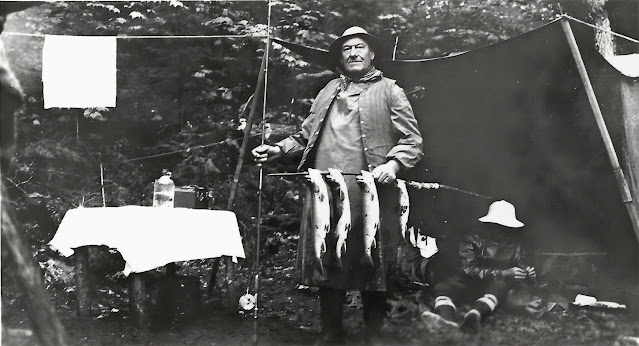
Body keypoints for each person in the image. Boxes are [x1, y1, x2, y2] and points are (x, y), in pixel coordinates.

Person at [252, 26, 423, 344]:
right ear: (340, 58)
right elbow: (306, 135)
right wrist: (276, 149)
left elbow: (412, 140)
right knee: (326, 256)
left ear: (372, 53)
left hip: (370, 193)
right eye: (347, 49)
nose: (354, 53)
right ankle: (332, 332)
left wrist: (393, 164)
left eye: (360, 47)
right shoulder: (329, 89)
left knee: (372, 259)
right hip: (325, 193)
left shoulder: (390, 90)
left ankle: (374, 333)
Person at [421, 200, 536, 332]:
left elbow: (521, 269)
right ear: (489, 225)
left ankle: (475, 316)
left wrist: (528, 274)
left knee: (500, 285)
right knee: (443, 286)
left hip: (492, 290)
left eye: (504, 227)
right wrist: (503, 273)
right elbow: (466, 268)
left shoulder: (515, 245)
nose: (500, 230)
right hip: (467, 283)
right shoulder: (472, 238)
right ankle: (446, 321)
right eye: (496, 225)